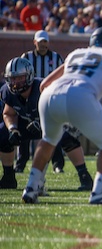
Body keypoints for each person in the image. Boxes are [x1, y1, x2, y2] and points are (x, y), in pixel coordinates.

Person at [21, 26, 102, 205]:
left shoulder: (76, 53)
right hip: (80, 95)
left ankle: (31, 188)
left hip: (49, 95)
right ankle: (98, 192)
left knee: (48, 141)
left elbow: (43, 85)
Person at [1, 58, 93, 192]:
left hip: (52, 120)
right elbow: (8, 113)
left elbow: (59, 111)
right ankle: (8, 176)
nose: (15, 83)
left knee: (66, 136)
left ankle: (84, 176)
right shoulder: (7, 92)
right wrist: (12, 129)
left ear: (29, 76)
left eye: (20, 78)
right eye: (13, 78)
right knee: (3, 133)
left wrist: (40, 122)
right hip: (27, 125)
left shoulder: (43, 88)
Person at [17, 30, 66, 173]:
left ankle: (57, 164)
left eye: (45, 42)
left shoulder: (56, 58)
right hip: (29, 98)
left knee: (53, 129)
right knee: (25, 128)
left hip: (50, 98)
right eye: (40, 42)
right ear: (35, 42)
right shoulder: (26, 57)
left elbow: (64, 76)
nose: (43, 45)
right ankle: (21, 163)